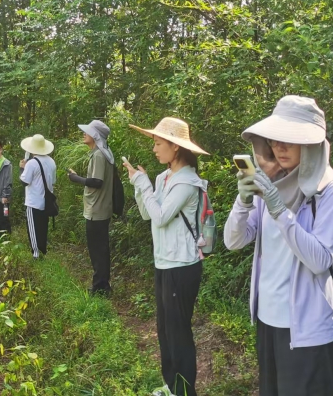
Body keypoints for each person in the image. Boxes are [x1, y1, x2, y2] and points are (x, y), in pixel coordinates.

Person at [223, 96, 333, 396]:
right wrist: (242, 201)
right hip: (269, 321)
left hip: (310, 332)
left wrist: (280, 209)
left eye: (290, 140)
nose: (279, 147)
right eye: (275, 139)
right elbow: (233, 240)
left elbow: (320, 260)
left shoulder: (330, 191)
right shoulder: (271, 181)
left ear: (311, 145)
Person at [124, 117, 208, 396]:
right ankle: (172, 386)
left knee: (179, 332)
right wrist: (140, 185)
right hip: (163, 261)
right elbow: (148, 213)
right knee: (164, 330)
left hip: (182, 265)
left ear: (175, 147)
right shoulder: (164, 178)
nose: (154, 148)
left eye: (158, 143)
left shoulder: (187, 182)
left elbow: (160, 218)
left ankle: (185, 392)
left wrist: (143, 183)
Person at [66, 119, 115, 296]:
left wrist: (75, 178)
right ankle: (102, 284)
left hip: (97, 209)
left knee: (97, 250)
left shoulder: (99, 155)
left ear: (95, 136)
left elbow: (97, 182)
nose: (84, 133)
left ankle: (100, 287)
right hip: (99, 208)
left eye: (87, 131)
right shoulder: (102, 153)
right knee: (100, 248)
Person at [19, 134, 57, 258]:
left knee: (33, 229)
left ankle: (36, 254)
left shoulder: (31, 163)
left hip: (33, 201)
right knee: (42, 227)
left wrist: (22, 169)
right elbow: (53, 181)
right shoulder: (51, 161)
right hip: (46, 202)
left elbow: (25, 182)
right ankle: (43, 251)